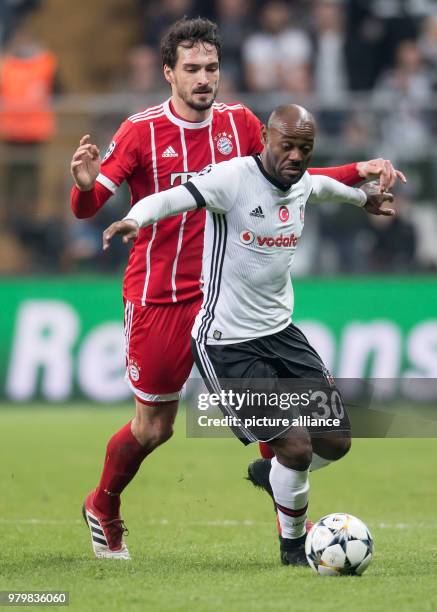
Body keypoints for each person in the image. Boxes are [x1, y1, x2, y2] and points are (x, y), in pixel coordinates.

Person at [70, 17, 405, 560]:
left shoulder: (241, 123)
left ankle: (291, 538)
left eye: (212, 68)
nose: (204, 78)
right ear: (168, 73)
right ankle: (103, 504)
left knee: (289, 437)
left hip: (226, 300)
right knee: (155, 427)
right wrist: (85, 188)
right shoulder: (140, 130)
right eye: (192, 69)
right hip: (162, 297)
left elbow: (290, 172)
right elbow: (90, 202)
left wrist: (355, 176)